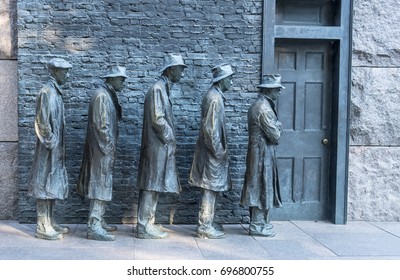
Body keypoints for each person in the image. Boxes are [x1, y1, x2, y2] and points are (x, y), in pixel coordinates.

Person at [136, 53, 187, 239]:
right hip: (156, 147)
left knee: (155, 184)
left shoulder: (163, 89)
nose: (182, 73)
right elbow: (158, 119)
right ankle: (143, 225)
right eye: (180, 69)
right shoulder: (158, 89)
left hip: (159, 146)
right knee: (151, 184)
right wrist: (170, 137)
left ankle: (148, 222)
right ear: (171, 69)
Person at [77, 65, 126, 241]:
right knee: (99, 184)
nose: (123, 82)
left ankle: (99, 219)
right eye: (121, 79)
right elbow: (101, 126)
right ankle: (94, 224)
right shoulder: (101, 96)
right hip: (101, 150)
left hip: (104, 150)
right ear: (111, 79)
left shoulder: (107, 95)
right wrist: (109, 147)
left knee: (104, 184)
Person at [189, 63, 234, 239]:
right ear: (222, 80)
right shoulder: (214, 98)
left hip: (212, 153)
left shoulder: (215, 96)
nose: (231, 82)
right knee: (209, 188)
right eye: (229, 79)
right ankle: (205, 226)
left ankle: (208, 221)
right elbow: (210, 129)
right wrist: (218, 152)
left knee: (212, 188)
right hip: (212, 154)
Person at [29, 58, 72, 240]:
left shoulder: (56, 92)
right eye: (64, 71)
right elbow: (42, 122)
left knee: (52, 183)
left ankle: (50, 220)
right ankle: (42, 225)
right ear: (54, 72)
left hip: (55, 149)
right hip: (48, 149)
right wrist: (52, 142)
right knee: (43, 183)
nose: (67, 75)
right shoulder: (47, 92)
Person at [240, 74, 284, 237]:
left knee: (260, 184)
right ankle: (257, 225)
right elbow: (275, 135)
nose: (279, 92)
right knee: (260, 185)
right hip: (262, 154)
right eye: (277, 89)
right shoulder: (264, 108)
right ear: (269, 90)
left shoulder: (261, 105)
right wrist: (279, 126)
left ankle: (261, 223)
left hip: (260, 152)